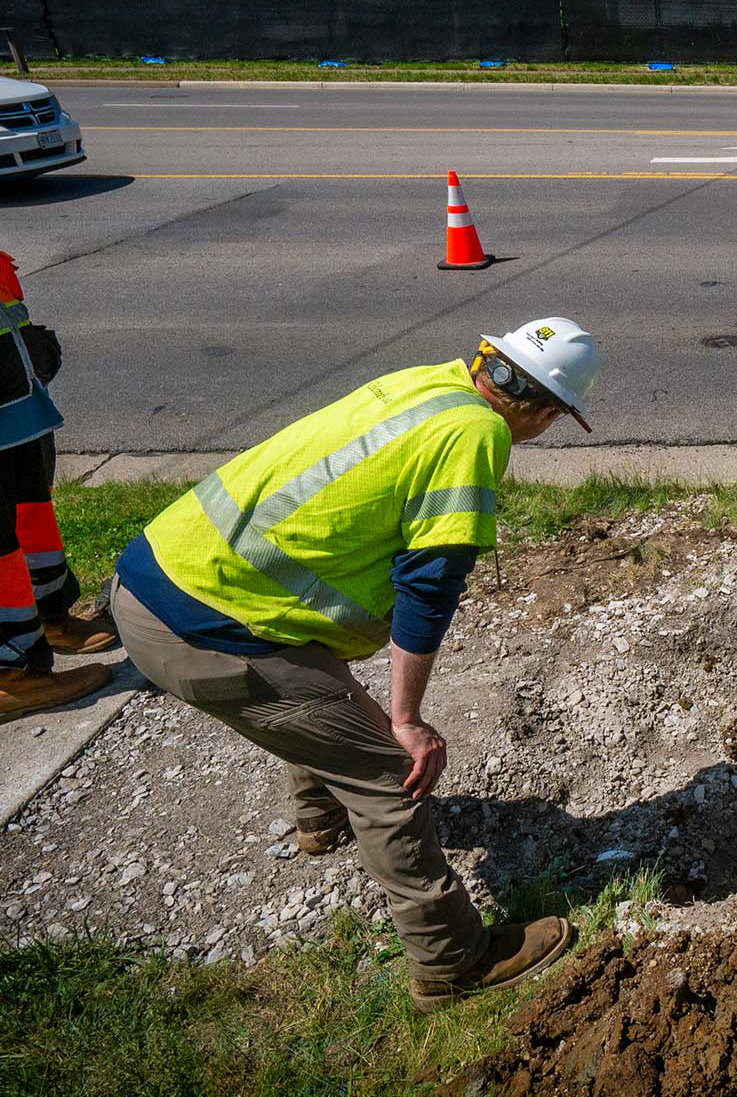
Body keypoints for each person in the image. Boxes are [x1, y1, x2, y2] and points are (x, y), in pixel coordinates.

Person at [111, 319, 601, 1012]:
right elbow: (430, 583)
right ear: (547, 411)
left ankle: (319, 821)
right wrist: (407, 719)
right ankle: (452, 960)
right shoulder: (478, 434)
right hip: (202, 623)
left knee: (318, 693)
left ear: (491, 361)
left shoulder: (430, 383)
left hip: (158, 571)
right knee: (384, 772)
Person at [0, 251, 116, 725]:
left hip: (15, 404)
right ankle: (13, 672)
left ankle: (50, 618)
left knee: (32, 515)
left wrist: (26, 350)